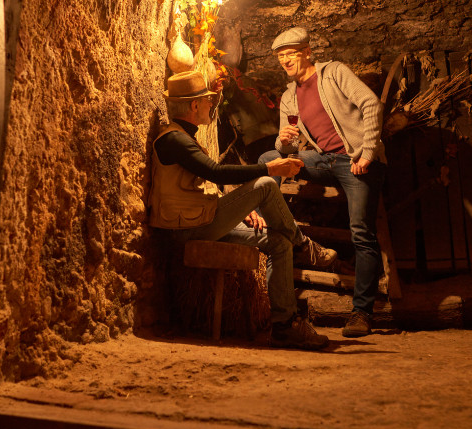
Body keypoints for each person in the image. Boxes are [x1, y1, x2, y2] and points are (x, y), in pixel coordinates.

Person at [150, 70, 336, 350]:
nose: (211, 105)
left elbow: (203, 181)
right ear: (193, 105)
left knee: (277, 242)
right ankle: (304, 245)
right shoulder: (174, 140)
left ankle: (285, 326)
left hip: (199, 219)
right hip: (186, 229)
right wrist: (270, 168)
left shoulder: (184, 138)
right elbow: (216, 172)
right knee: (265, 184)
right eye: (207, 100)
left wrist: (240, 207)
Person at [259, 26, 387, 338]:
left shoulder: (333, 74)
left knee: (361, 232)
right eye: (280, 57)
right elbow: (286, 149)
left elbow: (371, 105)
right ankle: (281, 231)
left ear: (306, 52)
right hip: (323, 161)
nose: (286, 60)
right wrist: (284, 141)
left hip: (355, 159)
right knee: (267, 158)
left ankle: (362, 313)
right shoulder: (289, 98)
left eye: (291, 54)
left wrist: (367, 152)